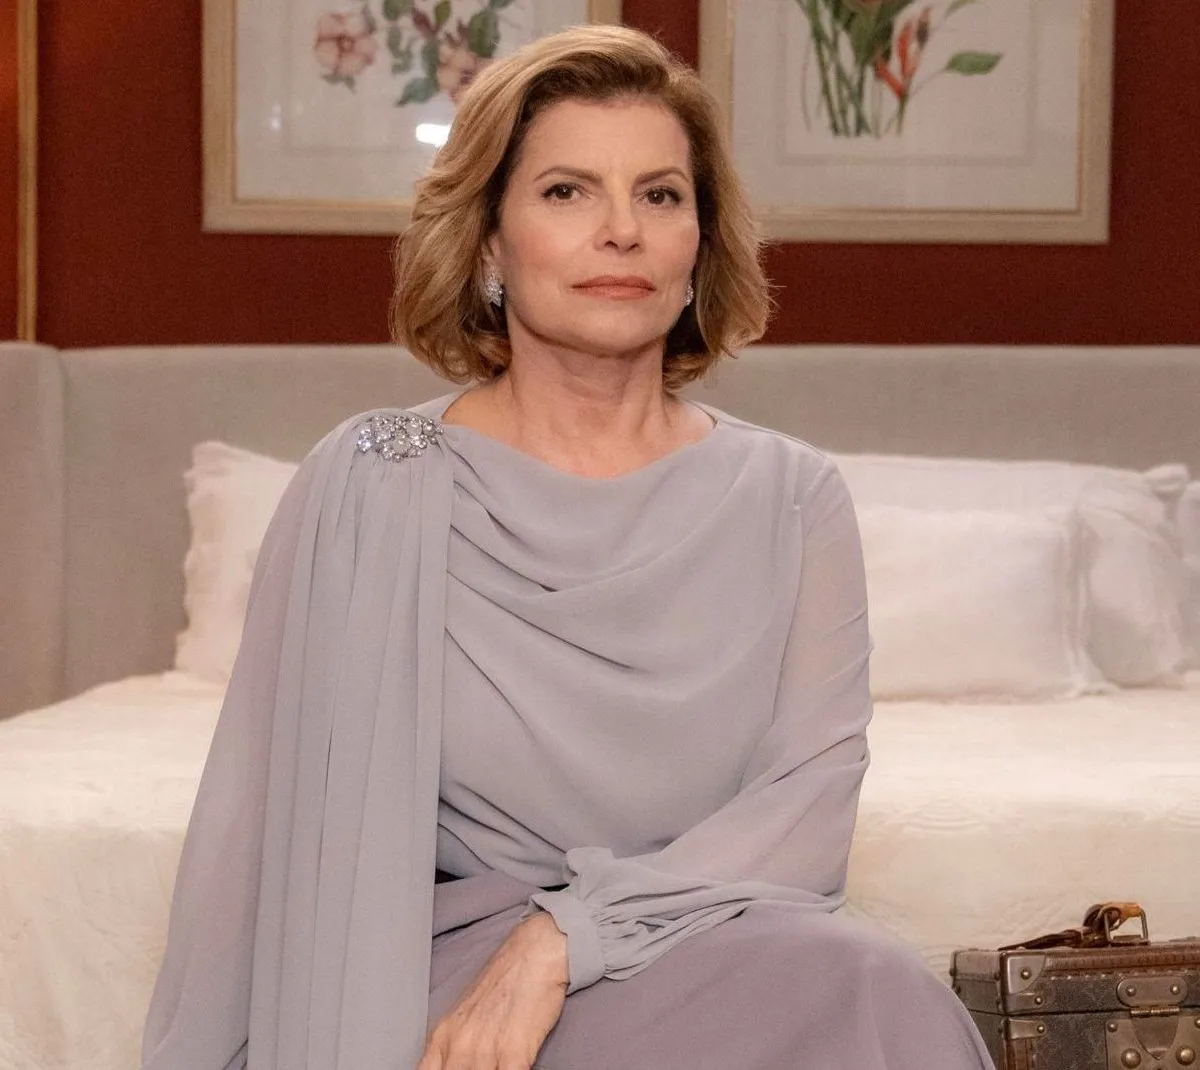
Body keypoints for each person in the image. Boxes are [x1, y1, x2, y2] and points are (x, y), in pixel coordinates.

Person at [142, 24, 994, 1070]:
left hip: (707, 935)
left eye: (660, 195)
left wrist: (566, 938)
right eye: (566, 191)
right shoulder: (375, 479)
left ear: (699, 243)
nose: (622, 231)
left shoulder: (792, 495)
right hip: (436, 975)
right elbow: (258, 830)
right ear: (489, 242)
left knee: (873, 989)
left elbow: (805, 812)